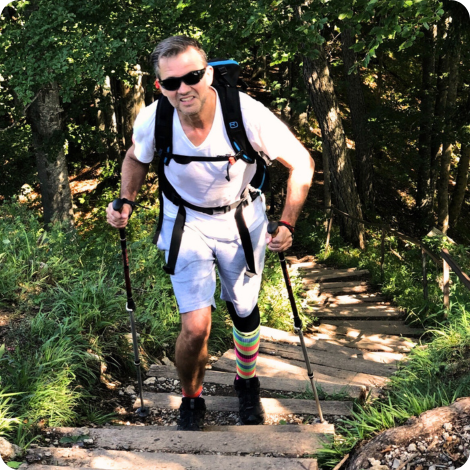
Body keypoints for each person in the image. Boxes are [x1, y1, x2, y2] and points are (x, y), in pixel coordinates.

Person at [106, 35, 314, 431]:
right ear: (159, 86)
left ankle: (247, 381)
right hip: (185, 223)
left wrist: (287, 223)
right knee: (196, 325)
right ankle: (191, 400)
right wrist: (126, 199)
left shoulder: (245, 114)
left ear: (209, 74)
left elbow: (302, 163)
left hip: (241, 220)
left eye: (192, 76)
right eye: (171, 83)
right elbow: (136, 156)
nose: (183, 88)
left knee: (244, 310)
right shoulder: (154, 118)